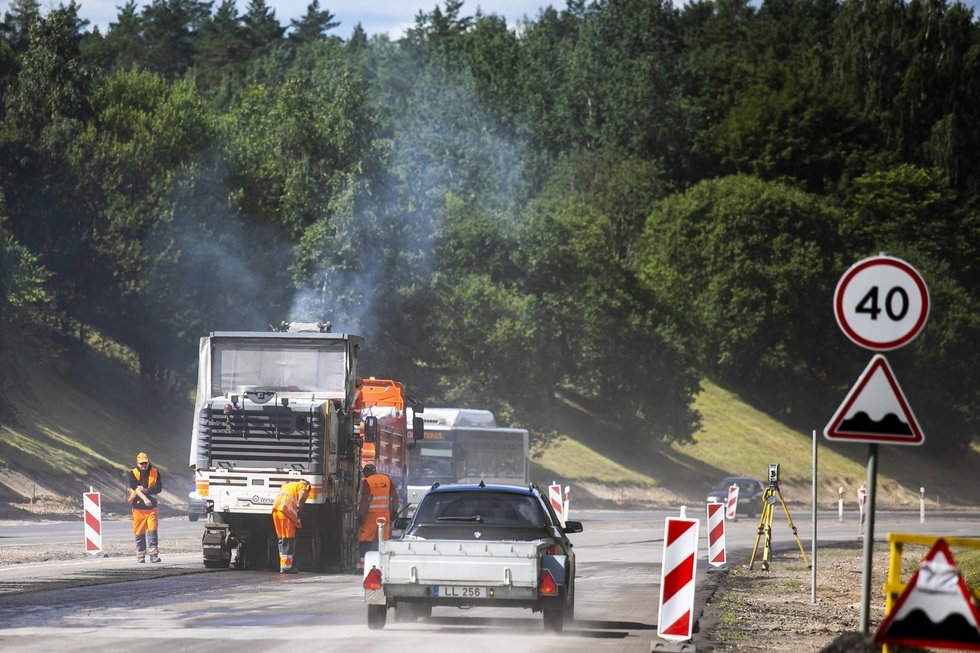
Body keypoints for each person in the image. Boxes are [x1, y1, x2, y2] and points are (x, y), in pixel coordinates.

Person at [357, 464, 398, 564]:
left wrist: (360, 515)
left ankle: (364, 563)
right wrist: (394, 512)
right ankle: (384, 563)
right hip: (385, 515)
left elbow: (365, 499)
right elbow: (394, 496)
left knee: (365, 539)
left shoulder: (368, 481)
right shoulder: (387, 479)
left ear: (366, 472)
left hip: (371, 516)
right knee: (384, 540)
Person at [128, 452, 163, 563]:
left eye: (145, 463)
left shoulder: (155, 472)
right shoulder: (133, 473)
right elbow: (134, 487)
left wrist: (147, 490)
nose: (143, 465)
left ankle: (154, 555)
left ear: (148, 462)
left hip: (152, 508)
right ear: (137, 463)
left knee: (152, 530)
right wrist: (144, 497)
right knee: (139, 531)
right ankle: (140, 555)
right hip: (138, 508)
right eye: (141, 463)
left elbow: (158, 488)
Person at [272, 478, 311, 574]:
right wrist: (300, 509)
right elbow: (302, 496)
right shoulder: (303, 487)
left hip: (276, 511)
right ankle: (287, 567)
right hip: (286, 514)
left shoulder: (287, 485)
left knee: (281, 539)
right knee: (288, 539)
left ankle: (283, 565)